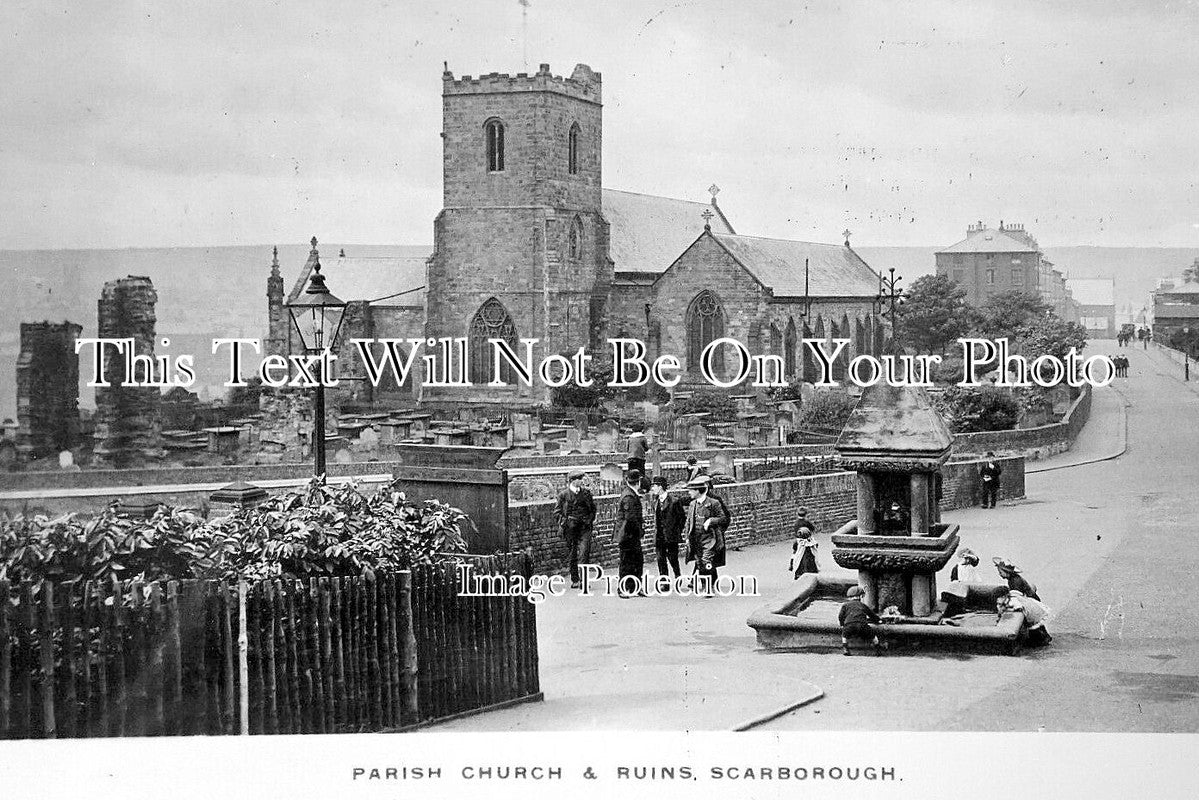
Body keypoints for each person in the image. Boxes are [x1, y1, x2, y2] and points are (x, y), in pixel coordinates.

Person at [682, 475, 728, 597]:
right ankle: (705, 585)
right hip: (695, 539)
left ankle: (708, 588)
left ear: (698, 491)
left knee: (706, 561)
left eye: (691, 490)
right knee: (700, 563)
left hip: (710, 538)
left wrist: (711, 521)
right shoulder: (693, 504)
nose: (689, 492)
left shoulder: (714, 503)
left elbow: (723, 518)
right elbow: (689, 522)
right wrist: (687, 537)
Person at [554, 471, 596, 588]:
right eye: (579, 479)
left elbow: (593, 509)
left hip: (584, 528)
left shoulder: (586, 494)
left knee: (584, 552)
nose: (581, 481)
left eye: (581, 479)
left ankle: (584, 580)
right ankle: (575, 579)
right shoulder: (563, 495)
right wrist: (566, 522)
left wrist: (589, 519)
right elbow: (557, 513)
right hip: (570, 529)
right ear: (573, 481)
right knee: (572, 554)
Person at [614, 469, 647, 597]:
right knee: (627, 562)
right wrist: (640, 532)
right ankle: (623, 588)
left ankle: (634, 587)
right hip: (628, 535)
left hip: (630, 534)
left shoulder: (630, 494)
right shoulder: (629, 496)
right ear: (638, 482)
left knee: (636, 561)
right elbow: (630, 518)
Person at [649, 476, 685, 579]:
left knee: (673, 558)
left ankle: (678, 575)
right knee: (660, 559)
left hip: (671, 536)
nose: (653, 489)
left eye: (654, 486)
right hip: (659, 535)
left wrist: (676, 531)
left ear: (660, 487)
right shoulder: (655, 501)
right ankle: (664, 582)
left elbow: (682, 518)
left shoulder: (674, 501)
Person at [839, 586, 883, 656]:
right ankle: (878, 649)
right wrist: (878, 620)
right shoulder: (862, 605)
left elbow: (840, 616)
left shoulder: (845, 605)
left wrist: (842, 624)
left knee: (844, 635)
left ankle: (845, 649)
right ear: (860, 596)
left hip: (849, 625)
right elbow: (871, 614)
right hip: (862, 625)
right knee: (873, 635)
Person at [790, 507, 819, 578]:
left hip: (799, 540)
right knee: (813, 553)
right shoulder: (807, 522)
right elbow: (813, 528)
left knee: (795, 553)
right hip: (807, 540)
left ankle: (792, 565)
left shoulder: (796, 523)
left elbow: (795, 531)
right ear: (806, 514)